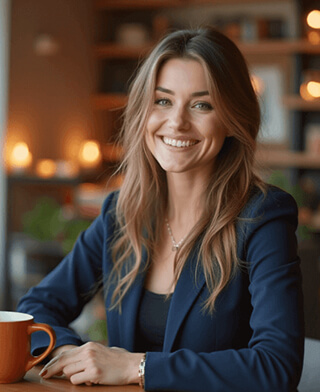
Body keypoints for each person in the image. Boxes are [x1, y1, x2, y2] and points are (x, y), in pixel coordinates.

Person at [17, 27, 304, 392]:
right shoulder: (121, 213)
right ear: (144, 111)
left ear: (233, 119)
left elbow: (277, 366)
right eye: (163, 101)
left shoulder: (264, 217)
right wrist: (77, 355)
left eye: (202, 104)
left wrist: (137, 367)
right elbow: (35, 308)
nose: (177, 122)